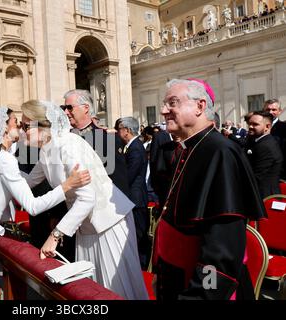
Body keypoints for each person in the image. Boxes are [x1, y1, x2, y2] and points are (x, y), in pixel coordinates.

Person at [21, 99, 148, 300]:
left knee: (114, 287)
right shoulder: (47, 149)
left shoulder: (67, 145)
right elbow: (27, 182)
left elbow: (87, 198)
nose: (22, 131)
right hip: (86, 225)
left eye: (25, 126)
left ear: (42, 125)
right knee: (92, 289)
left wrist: (55, 235)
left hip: (108, 223)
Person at [154, 78, 266, 300]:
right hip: (175, 277)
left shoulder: (220, 152)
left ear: (200, 106)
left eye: (172, 102)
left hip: (199, 288)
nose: (163, 110)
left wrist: (200, 295)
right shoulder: (187, 149)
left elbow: (221, 251)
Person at [0, 107, 91, 299]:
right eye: (16, 123)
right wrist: (66, 186)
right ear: (4, 129)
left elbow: (25, 183)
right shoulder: (5, 160)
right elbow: (33, 206)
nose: (21, 129)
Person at [114, 117, 150, 270]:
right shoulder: (131, 145)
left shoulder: (135, 147)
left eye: (119, 129)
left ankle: (141, 267)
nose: (117, 132)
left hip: (136, 199)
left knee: (138, 236)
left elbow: (130, 174)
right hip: (133, 198)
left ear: (126, 130)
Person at [245, 111, 283, 199]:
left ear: (267, 126)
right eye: (250, 123)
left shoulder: (266, 146)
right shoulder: (259, 142)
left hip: (264, 197)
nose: (250, 126)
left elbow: (255, 177)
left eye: (255, 124)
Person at [264, 99, 286, 179]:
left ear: (279, 111)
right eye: (268, 109)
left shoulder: (284, 128)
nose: (270, 112)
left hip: (279, 174)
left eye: (274, 110)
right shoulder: (256, 127)